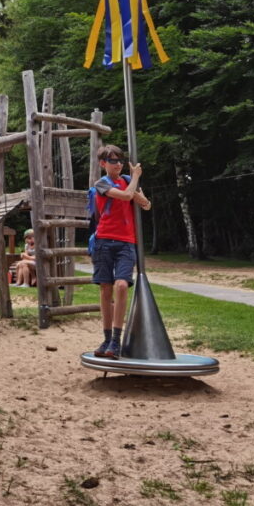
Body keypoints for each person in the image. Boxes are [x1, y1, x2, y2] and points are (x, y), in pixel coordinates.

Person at [91, 144, 151, 359]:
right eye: (112, 160)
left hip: (126, 242)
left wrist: (139, 195)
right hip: (104, 241)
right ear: (103, 164)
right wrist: (135, 177)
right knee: (105, 290)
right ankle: (107, 339)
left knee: (122, 285)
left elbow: (146, 205)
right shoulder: (101, 183)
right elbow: (125, 197)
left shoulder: (127, 181)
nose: (117, 164)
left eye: (119, 160)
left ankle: (116, 340)